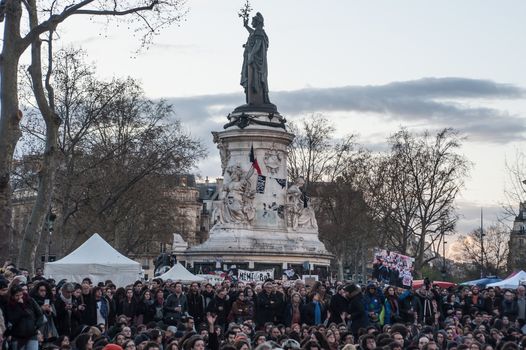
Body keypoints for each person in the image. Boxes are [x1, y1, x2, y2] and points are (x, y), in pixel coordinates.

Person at [5, 284, 44, 350]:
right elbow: (12, 319)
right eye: (17, 295)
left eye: (21, 295)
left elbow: (40, 315)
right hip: (17, 337)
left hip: (32, 335)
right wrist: (19, 306)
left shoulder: (30, 300)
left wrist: (36, 326)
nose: (20, 297)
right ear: (12, 296)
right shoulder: (10, 305)